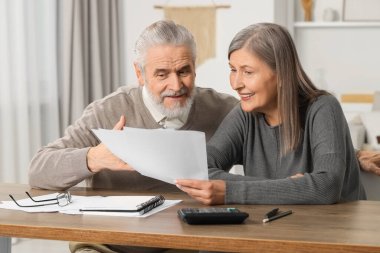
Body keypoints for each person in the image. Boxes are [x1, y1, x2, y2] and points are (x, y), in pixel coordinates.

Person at [28, 20, 237, 253]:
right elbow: (39, 170)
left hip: (188, 244)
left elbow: (271, 163)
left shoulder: (224, 110)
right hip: (108, 245)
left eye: (183, 71)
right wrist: (94, 158)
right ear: (140, 73)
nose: (176, 85)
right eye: (162, 74)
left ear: (194, 67)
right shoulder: (108, 110)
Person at [175, 23, 367, 205]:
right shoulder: (244, 115)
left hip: (334, 232)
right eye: (233, 70)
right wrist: (290, 187)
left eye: (248, 72)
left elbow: (327, 186)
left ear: (282, 74)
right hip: (273, 228)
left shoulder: (323, 108)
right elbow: (200, 170)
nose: (236, 83)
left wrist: (231, 192)